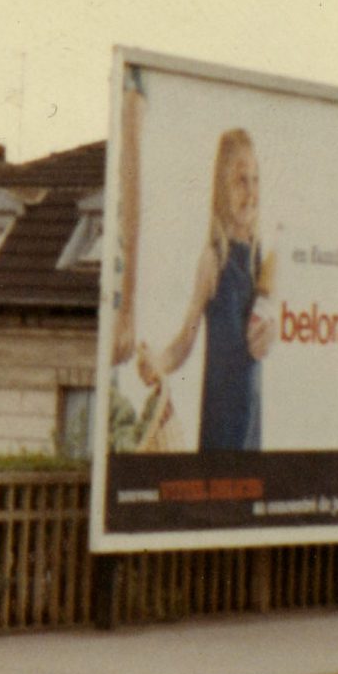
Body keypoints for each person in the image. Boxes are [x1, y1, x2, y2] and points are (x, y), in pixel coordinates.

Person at [136, 128, 272, 451]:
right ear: (222, 189)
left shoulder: (259, 258)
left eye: (255, 180)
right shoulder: (214, 259)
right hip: (221, 426)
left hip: (251, 426)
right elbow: (186, 339)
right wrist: (158, 363)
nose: (250, 191)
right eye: (240, 181)